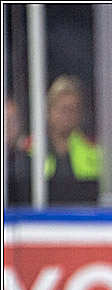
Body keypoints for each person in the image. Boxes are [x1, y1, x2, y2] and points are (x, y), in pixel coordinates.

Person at [23, 75, 102, 203]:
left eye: (74, 109)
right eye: (64, 109)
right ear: (49, 111)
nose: (69, 115)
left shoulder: (93, 149)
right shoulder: (28, 148)